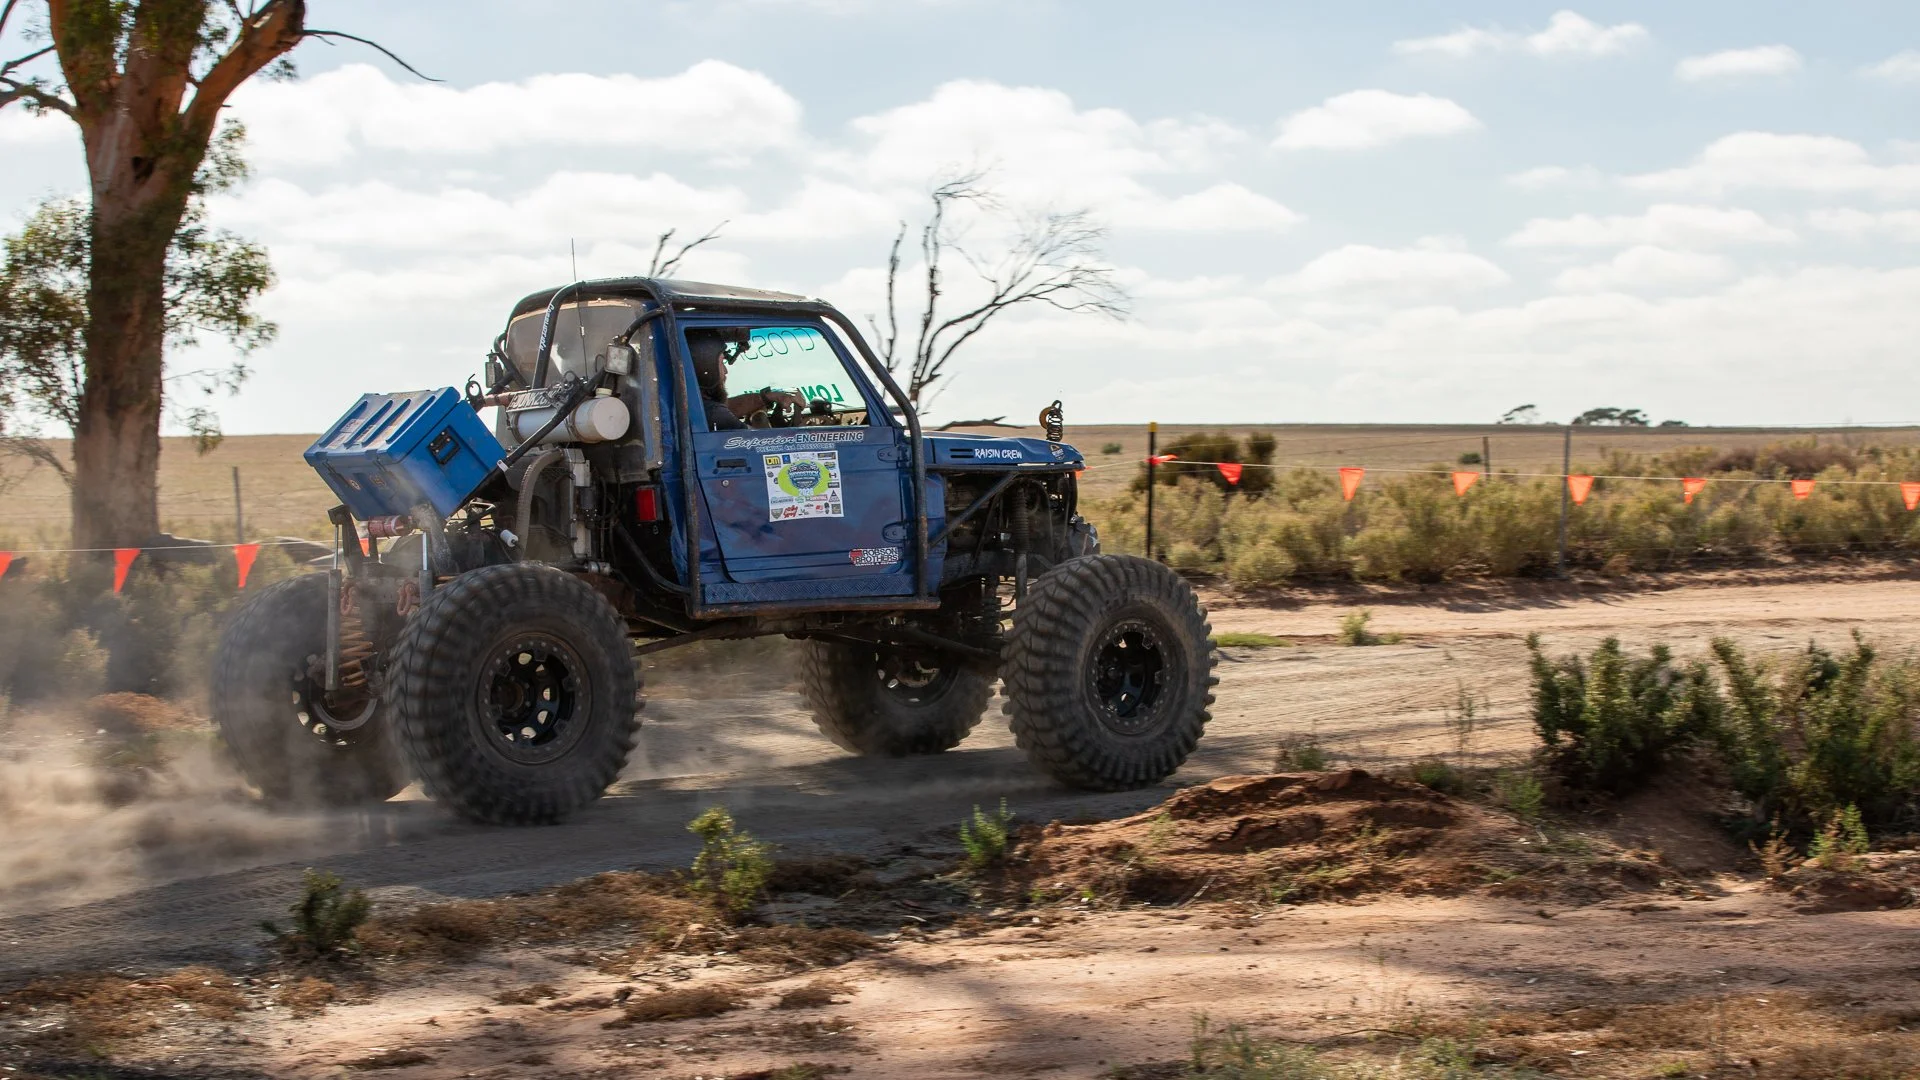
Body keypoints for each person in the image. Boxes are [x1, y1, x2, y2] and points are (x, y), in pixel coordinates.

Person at [688, 330, 747, 431]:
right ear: (707, 366)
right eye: (722, 362)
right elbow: (759, 442)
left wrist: (763, 398)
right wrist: (759, 416)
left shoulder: (692, 403)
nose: (725, 371)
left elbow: (729, 408)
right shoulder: (714, 413)